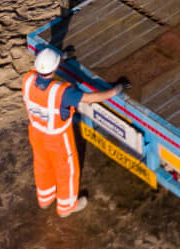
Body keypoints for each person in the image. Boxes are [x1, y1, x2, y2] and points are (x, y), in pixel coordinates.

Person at [24, 46, 126, 218]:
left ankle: (45, 198)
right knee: (67, 170)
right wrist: (114, 91)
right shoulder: (61, 92)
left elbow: (40, 71)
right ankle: (66, 207)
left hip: (36, 132)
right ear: (55, 68)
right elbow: (90, 98)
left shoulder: (27, 79)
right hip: (57, 138)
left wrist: (60, 57)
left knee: (42, 165)